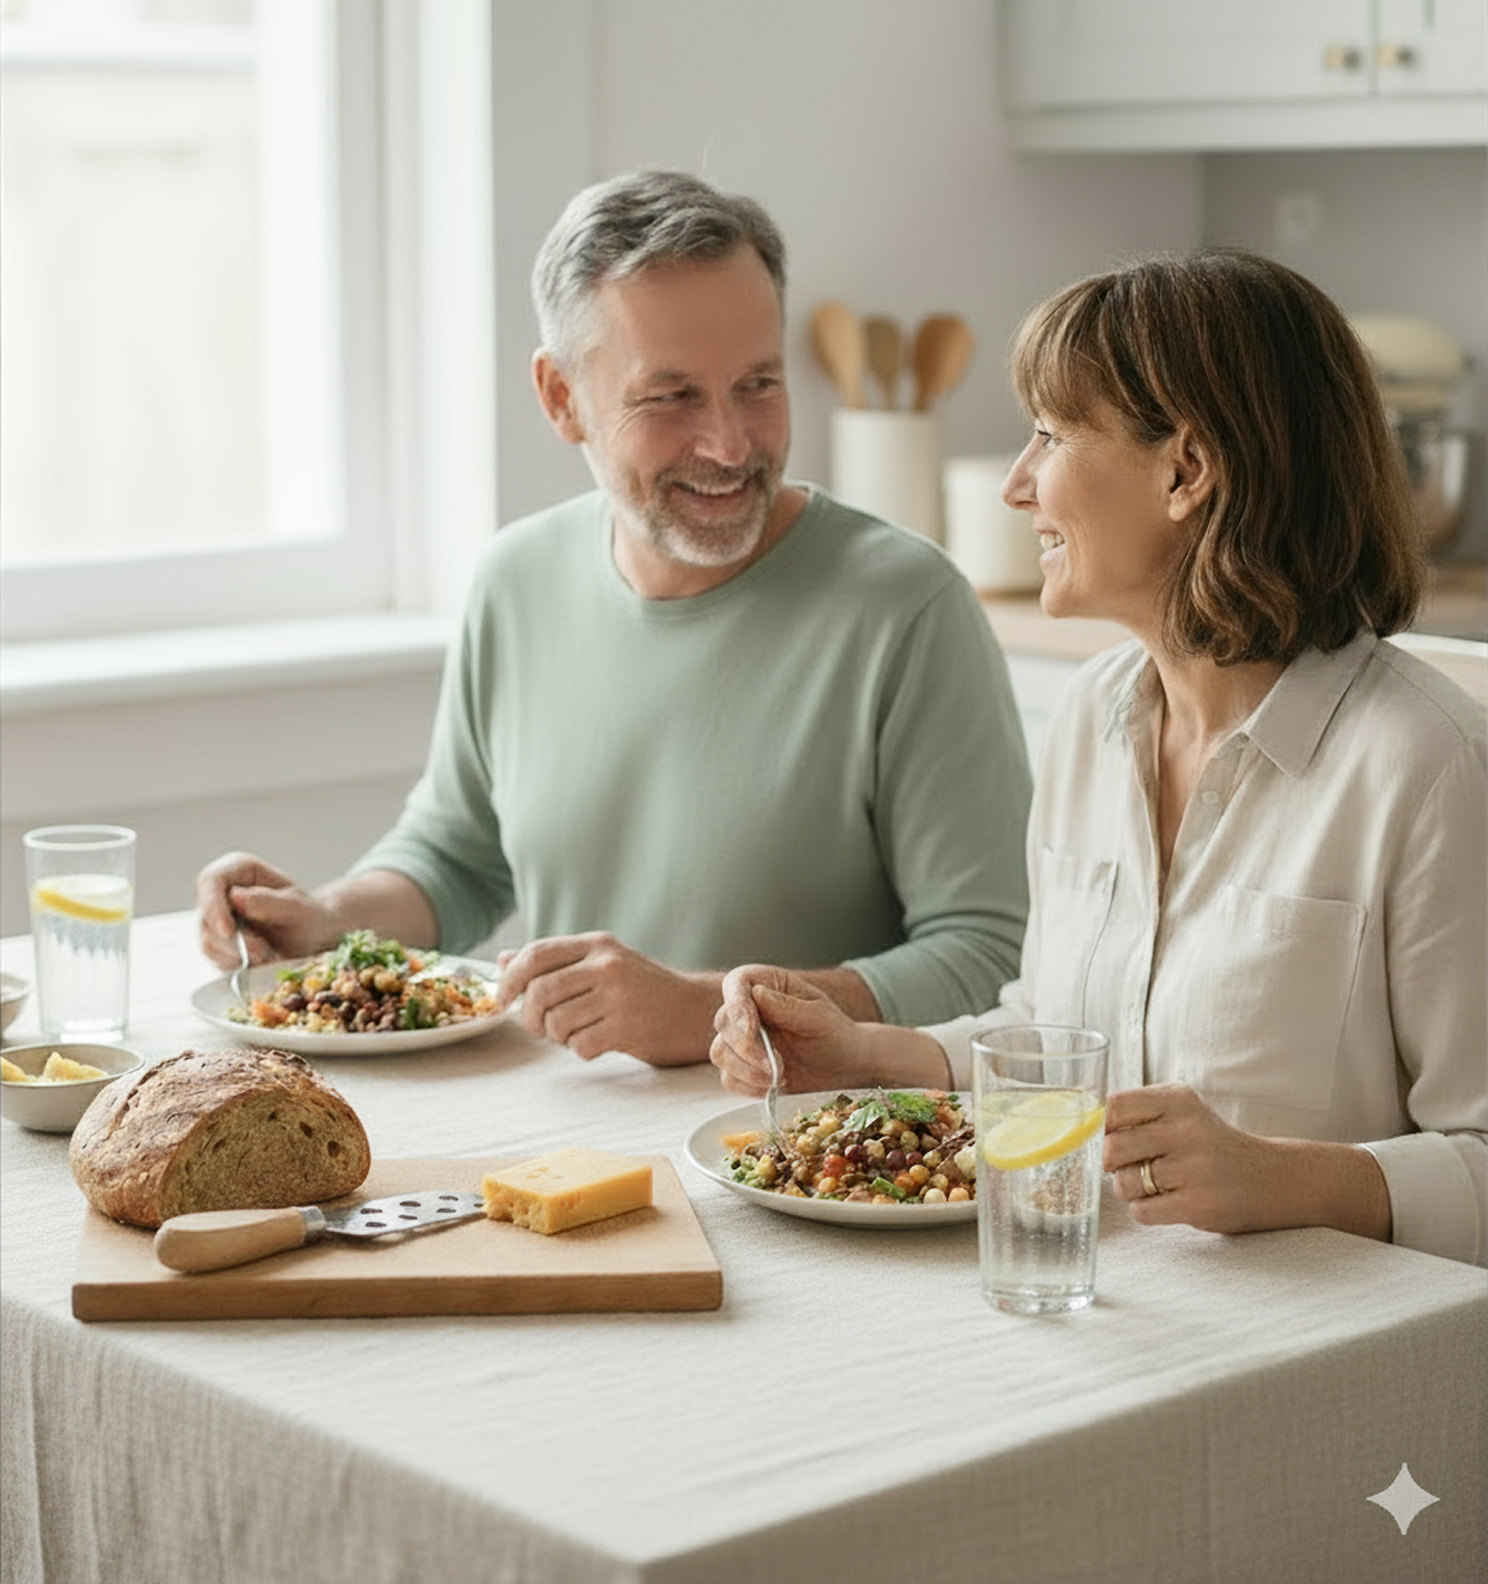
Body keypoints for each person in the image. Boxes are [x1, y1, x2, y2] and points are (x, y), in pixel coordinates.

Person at [711, 247, 1487, 1267]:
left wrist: (1285, 1178)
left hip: (1329, 1370)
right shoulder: (1093, 715)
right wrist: (865, 1055)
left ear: (1187, 470)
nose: (1018, 485)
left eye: (1050, 435)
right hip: (1101, 1307)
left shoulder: (1428, 768)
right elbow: (1061, 1031)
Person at [195, 169, 1032, 1068]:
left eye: (758, 383)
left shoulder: (908, 608)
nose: (729, 443)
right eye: (671, 396)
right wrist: (329, 917)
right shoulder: (514, 580)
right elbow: (459, 854)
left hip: (803, 1160)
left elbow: (993, 958)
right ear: (561, 398)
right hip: (560, 1142)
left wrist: (708, 1010)